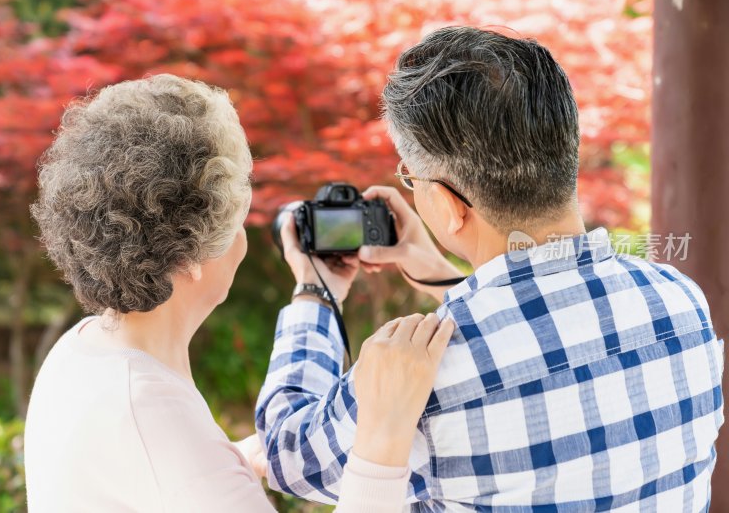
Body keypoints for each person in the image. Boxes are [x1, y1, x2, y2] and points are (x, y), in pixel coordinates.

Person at [255, 26, 725, 511]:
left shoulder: (425, 374)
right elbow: (541, 329)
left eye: (410, 179)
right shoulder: (681, 301)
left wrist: (314, 291)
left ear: (445, 203)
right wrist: (432, 267)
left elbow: (289, 457)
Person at [24, 73, 456, 512]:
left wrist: (225, 466)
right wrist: (382, 439)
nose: (242, 240)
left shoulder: (78, 351)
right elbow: (165, 457)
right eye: (235, 222)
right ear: (189, 256)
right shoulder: (156, 421)